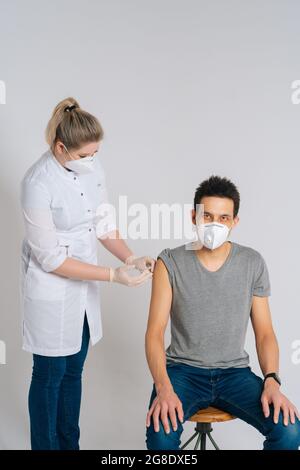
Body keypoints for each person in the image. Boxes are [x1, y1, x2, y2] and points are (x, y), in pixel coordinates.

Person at [20, 97, 154, 450]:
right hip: (51, 286)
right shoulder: (37, 182)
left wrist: (130, 258)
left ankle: (70, 445)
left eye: (95, 153)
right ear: (60, 147)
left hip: (84, 286)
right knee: (49, 375)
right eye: (83, 155)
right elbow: (49, 257)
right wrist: (112, 276)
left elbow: (103, 223)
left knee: (74, 371)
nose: (91, 161)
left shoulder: (92, 167)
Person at [145, 175, 300, 450]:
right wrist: (163, 387)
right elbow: (155, 332)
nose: (215, 225)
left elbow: (264, 333)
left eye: (224, 218)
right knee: (161, 436)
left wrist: (272, 380)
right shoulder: (169, 261)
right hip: (182, 372)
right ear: (194, 216)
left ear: (234, 222)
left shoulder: (252, 262)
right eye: (208, 216)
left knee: (288, 431)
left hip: (234, 374)